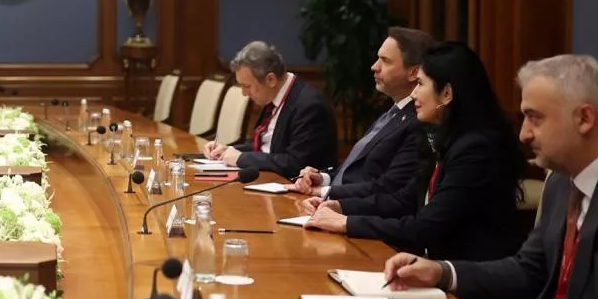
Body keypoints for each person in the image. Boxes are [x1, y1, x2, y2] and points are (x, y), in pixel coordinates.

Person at [384, 54, 598, 299]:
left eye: (535, 118)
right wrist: (442, 272)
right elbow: (529, 270)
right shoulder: (563, 182)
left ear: (584, 118)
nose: (523, 134)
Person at [305, 42, 524, 262]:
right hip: (431, 265)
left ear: (446, 93)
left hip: (464, 274)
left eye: (420, 84)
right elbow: (403, 201)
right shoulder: (442, 136)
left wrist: (346, 223)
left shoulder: (476, 149)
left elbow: (425, 227)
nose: (414, 94)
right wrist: (339, 207)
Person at [293, 27, 434, 206]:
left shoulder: (418, 122)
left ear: (413, 73)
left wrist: (324, 192)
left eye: (385, 61)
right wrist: (322, 178)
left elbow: (389, 187)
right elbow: (355, 170)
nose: (374, 67)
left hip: (353, 211)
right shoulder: (393, 112)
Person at [202, 41, 337, 179]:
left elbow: (296, 164)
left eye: (247, 86)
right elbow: (264, 146)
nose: (244, 93)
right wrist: (228, 150)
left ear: (270, 79)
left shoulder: (309, 106)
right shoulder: (273, 95)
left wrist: (241, 158)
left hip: (297, 187)